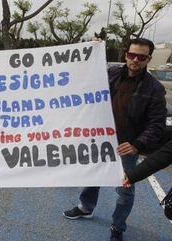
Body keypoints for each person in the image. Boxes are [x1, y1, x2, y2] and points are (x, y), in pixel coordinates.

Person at [63, 38, 167, 241]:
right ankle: (86, 207)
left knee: (125, 189)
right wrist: (90, 50)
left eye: (141, 57)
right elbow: (84, 77)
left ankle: (118, 226)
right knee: (93, 176)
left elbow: (157, 124)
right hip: (100, 140)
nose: (135, 60)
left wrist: (137, 145)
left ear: (149, 59)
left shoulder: (154, 89)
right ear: (125, 54)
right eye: (131, 55)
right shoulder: (110, 74)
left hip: (126, 147)